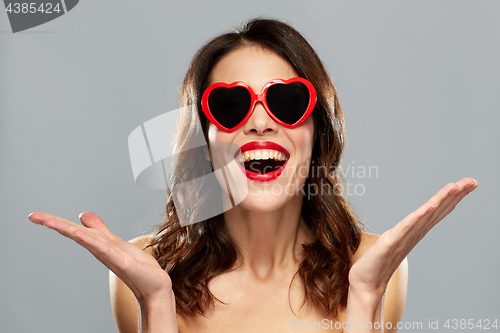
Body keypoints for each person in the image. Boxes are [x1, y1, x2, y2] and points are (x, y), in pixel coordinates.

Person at [28, 18, 478, 333]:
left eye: (285, 102)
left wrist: (364, 301)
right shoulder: (145, 272)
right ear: (202, 140)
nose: (260, 123)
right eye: (230, 105)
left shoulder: (376, 265)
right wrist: (155, 303)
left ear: (317, 128)